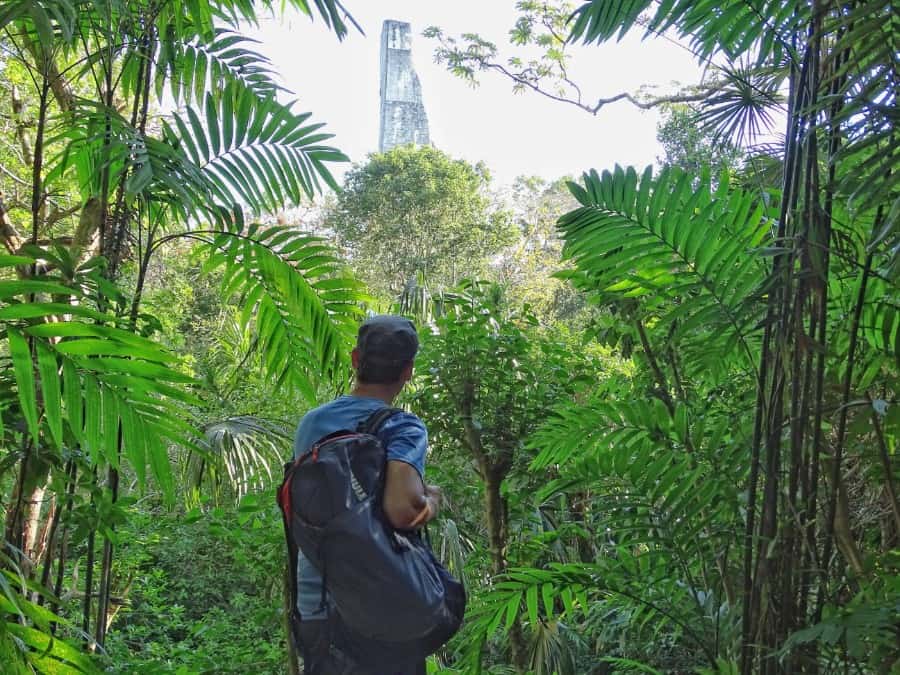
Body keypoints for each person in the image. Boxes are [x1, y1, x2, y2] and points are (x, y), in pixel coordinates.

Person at [292, 315, 442, 675]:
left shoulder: (312, 423)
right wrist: (432, 500)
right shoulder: (402, 426)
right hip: (381, 611)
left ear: (356, 359)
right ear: (408, 371)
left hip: (316, 604)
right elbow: (403, 510)